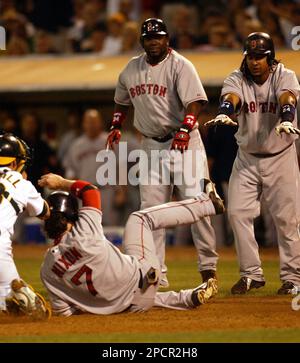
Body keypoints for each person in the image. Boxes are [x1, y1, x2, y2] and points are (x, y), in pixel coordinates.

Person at [106, 18, 218, 288]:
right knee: (151, 211)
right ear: (142, 41)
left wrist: (185, 128)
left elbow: (195, 102)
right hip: (152, 146)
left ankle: (209, 269)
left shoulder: (181, 65)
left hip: (184, 143)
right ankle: (157, 273)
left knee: (197, 205)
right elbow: (121, 101)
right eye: (149, 38)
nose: (154, 41)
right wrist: (116, 125)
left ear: (168, 39)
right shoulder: (131, 69)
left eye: (158, 37)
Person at [38, 173, 224, 316]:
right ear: (72, 215)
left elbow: (65, 312)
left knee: (121, 295)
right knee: (139, 218)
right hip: (145, 275)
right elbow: (90, 190)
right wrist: (62, 182)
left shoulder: (47, 270)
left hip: (133, 307)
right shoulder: (84, 231)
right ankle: (207, 204)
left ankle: (186, 299)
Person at [205, 32, 300, 295]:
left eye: (260, 56)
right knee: (237, 214)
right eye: (250, 56)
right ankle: (251, 274)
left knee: (287, 220)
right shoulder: (237, 77)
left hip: (281, 156)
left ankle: (293, 278)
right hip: (246, 158)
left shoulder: (285, 74)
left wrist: (288, 119)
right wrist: (225, 112)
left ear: (270, 59)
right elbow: (231, 99)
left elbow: (288, 98)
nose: (254, 61)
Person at [0, 133, 50, 318]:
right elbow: (44, 212)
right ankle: (25, 298)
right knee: (23, 307)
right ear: (13, 163)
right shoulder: (20, 181)